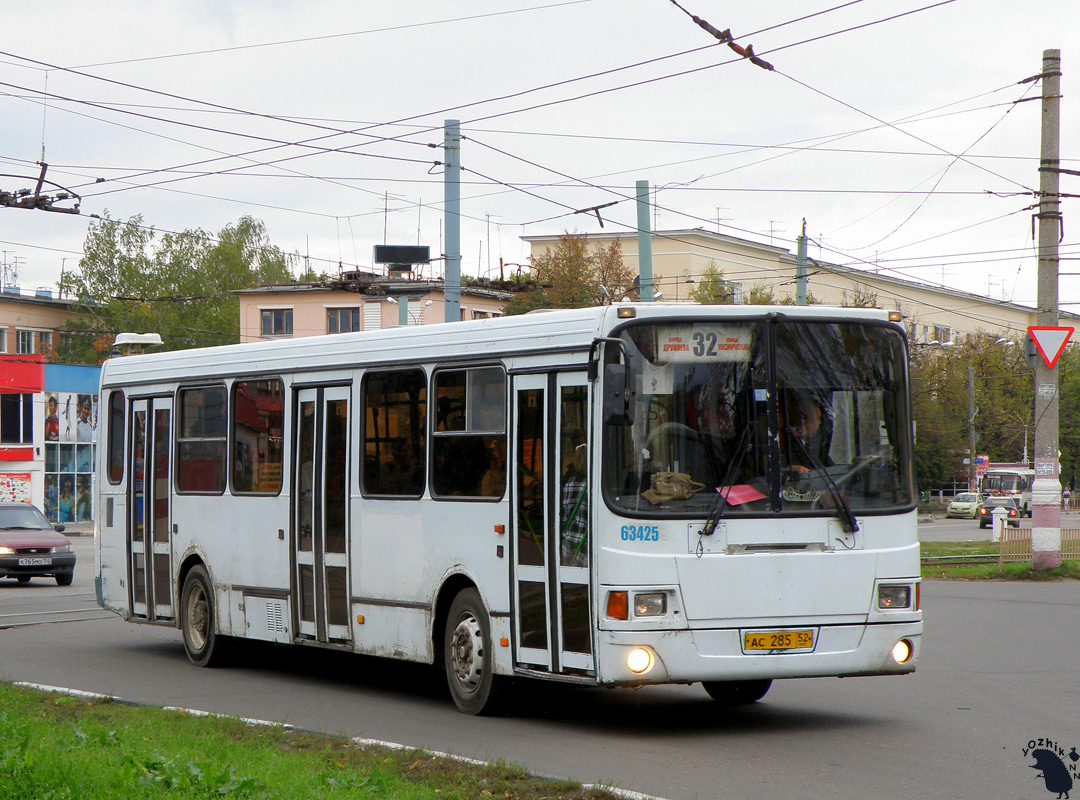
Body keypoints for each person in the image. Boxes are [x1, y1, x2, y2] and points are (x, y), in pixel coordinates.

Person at [560, 442, 589, 567]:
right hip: (585, 545)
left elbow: (564, 516)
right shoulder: (594, 487)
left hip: (569, 543)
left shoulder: (569, 483)